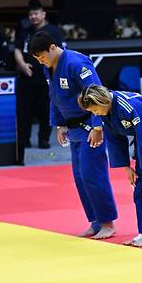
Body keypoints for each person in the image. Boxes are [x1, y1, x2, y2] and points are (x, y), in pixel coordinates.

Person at [29, 31, 118, 240]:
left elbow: (97, 92)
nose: (41, 61)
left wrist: (98, 127)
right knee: (80, 177)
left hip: (90, 125)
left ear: (52, 47)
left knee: (92, 174)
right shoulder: (48, 68)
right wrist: (59, 124)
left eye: (42, 56)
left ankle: (107, 222)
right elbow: (55, 96)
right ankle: (95, 222)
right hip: (74, 128)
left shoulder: (77, 63)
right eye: (37, 59)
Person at [78, 85, 142, 247]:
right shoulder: (107, 111)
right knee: (140, 190)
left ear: (102, 101)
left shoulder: (129, 106)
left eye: (95, 110)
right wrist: (126, 166)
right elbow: (115, 139)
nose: (94, 114)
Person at [14, 0, 66, 153]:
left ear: (43, 14)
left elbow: (61, 52)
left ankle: (44, 139)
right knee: (24, 111)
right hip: (27, 77)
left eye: (36, 13)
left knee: (46, 110)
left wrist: (55, 71)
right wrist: (22, 65)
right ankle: (25, 140)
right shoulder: (25, 32)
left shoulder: (54, 31)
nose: (33, 17)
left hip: (47, 78)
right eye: (31, 14)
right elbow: (17, 49)